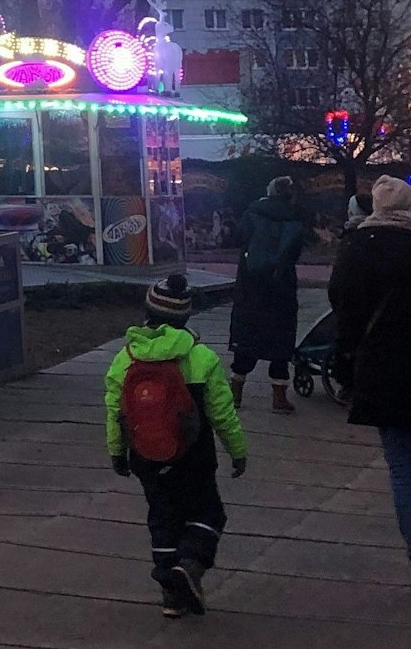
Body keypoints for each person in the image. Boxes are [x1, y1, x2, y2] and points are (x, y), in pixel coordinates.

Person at [104, 274, 248, 618]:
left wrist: (117, 451)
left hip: (146, 456)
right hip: (193, 455)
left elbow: (115, 412)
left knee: (163, 518)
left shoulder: (125, 358)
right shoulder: (201, 357)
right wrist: (238, 450)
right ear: (185, 317)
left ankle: (171, 595)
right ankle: (191, 565)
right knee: (208, 513)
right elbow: (222, 412)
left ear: (147, 314)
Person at [329, 174, 411, 600]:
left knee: (403, 470)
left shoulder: (355, 247)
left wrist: (346, 363)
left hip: (384, 371)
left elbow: (342, 309)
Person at [228, 176, 318, 413]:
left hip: (250, 285)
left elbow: (237, 238)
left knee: (246, 337)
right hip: (281, 286)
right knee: (280, 340)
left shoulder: (252, 213)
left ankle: (236, 391)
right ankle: (279, 397)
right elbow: (295, 252)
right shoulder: (295, 217)